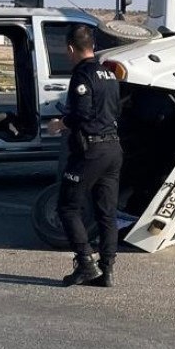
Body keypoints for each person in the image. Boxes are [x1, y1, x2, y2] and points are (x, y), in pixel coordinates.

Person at [49, 24, 123, 287]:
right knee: (106, 212)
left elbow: (81, 113)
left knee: (67, 206)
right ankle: (108, 270)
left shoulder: (82, 75)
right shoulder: (109, 74)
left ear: (71, 49)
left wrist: (60, 124)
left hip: (91, 150)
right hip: (113, 149)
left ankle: (85, 264)